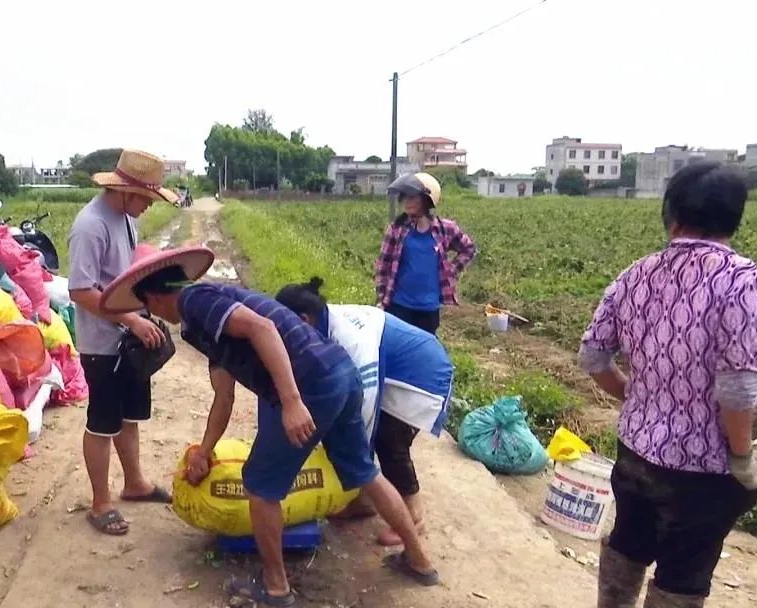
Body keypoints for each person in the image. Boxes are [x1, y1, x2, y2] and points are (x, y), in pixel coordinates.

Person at [99, 246, 438, 606]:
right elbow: (223, 397)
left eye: (148, 309)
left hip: (311, 384)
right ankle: (419, 560)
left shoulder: (195, 301)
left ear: (152, 297)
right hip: (339, 372)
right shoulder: (202, 318)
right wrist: (204, 450)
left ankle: (276, 587)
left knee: (260, 488)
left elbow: (263, 328)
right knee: (365, 471)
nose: (154, 317)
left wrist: (291, 402)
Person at [580, 162, 757, 608]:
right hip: (702, 469)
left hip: (635, 451)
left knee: (627, 545)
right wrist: (742, 459)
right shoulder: (739, 277)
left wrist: (636, 396)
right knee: (682, 576)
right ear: (734, 216)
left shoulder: (635, 273)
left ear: (673, 211)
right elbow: (736, 387)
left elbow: (592, 357)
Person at [276, 277, 454, 547]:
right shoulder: (324, 323)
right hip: (396, 365)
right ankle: (363, 501)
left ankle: (414, 516)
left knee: (388, 441)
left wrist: (354, 458)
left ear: (303, 320)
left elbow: (364, 408)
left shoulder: (351, 341)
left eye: (285, 330)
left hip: (422, 373)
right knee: (363, 443)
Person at [67, 149, 179, 536]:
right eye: (146, 199)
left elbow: (125, 272)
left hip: (128, 337)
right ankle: (101, 502)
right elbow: (81, 290)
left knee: (130, 416)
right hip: (102, 343)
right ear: (125, 191)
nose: (148, 206)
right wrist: (130, 319)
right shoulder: (90, 225)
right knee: (102, 423)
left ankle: (134, 483)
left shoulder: (124, 219)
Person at [375, 172, 477, 334]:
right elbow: (383, 267)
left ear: (427, 200)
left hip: (429, 308)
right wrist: (381, 299)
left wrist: (451, 271)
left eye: (413, 197)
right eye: (405, 197)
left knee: (423, 353)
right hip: (399, 305)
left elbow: (469, 248)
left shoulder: (445, 229)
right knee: (399, 352)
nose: (407, 202)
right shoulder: (396, 230)